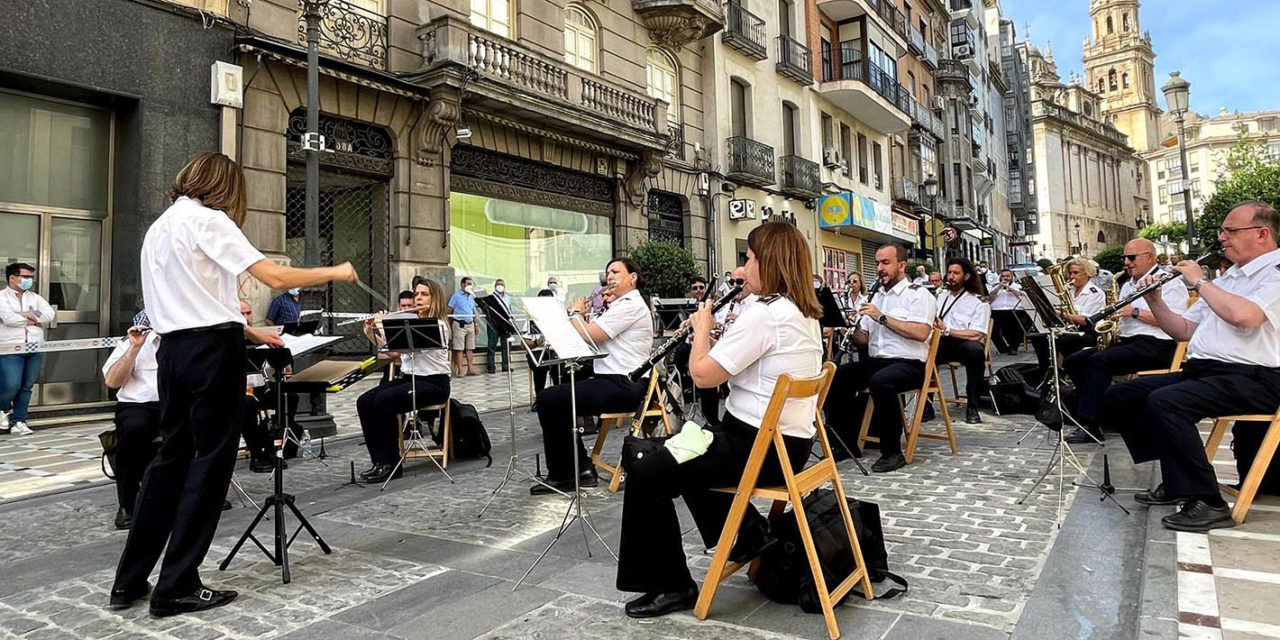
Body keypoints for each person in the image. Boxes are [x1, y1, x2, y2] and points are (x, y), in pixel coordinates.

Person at [111, 152, 358, 617]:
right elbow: (275, 277)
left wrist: (248, 330)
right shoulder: (210, 221)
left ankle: (129, 581)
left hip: (173, 354)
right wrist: (335, 271)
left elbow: (186, 299)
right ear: (225, 186)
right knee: (210, 464)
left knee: (170, 463)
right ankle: (178, 585)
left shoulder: (158, 228)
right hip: (211, 354)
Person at [615, 221, 823, 619]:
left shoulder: (766, 316)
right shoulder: (801, 312)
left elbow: (703, 376)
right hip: (787, 446)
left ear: (771, 264)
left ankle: (671, 584)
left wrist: (703, 330)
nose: (743, 270)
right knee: (686, 446)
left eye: (749, 259)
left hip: (757, 448)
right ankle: (746, 534)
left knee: (644, 463)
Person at [1101, 201, 1280, 532]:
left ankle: (1209, 501)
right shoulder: (1230, 278)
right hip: (1208, 372)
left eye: (1230, 231)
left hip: (1257, 378)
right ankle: (1178, 477)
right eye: (1222, 231)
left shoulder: (1274, 273)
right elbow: (1183, 330)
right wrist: (1154, 301)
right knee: (1122, 396)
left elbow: (1246, 316)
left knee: (1167, 402)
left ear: (1262, 233)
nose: (1222, 237)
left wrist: (1200, 282)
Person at [531, 258, 652, 495]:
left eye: (616, 272)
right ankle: (580, 468)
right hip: (611, 378)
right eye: (608, 273)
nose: (610, 277)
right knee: (557, 395)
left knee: (549, 399)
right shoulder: (618, 305)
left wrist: (576, 313)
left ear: (632, 278)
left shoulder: (631, 305)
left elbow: (591, 335)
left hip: (625, 383)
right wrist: (580, 317)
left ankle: (569, 473)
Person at [1062, 239, 1189, 444]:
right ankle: (1103, 413)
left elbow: (1179, 322)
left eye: (1131, 257)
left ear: (1150, 256)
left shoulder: (1169, 282)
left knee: (1100, 361)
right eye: (1124, 258)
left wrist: (1136, 312)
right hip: (1129, 341)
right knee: (1075, 360)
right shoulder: (1127, 284)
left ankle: (1091, 424)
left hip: (1158, 344)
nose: (1126, 263)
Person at [823, 245, 936, 472]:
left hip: (909, 363)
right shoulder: (876, 297)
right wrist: (849, 328)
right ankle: (845, 444)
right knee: (836, 376)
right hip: (877, 361)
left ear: (901, 265)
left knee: (881, 382)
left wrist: (882, 318)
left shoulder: (918, 295)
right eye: (877, 263)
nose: (879, 268)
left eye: (886, 263)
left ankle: (892, 452)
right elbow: (864, 340)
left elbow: (921, 333)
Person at [356, 276, 452, 483]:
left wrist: (383, 326)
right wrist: (371, 333)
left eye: (424, 294)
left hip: (433, 383)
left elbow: (404, 347)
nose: (418, 298)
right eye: (417, 294)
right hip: (410, 378)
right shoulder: (413, 323)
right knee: (364, 401)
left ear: (435, 298)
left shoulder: (438, 326)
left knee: (384, 401)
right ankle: (379, 461)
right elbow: (390, 354)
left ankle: (391, 464)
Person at [103, 311, 162, 530]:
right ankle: (127, 503)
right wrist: (134, 349)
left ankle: (201, 492)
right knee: (134, 430)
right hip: (139, 404)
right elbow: (112, 381)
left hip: (176, 402)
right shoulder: (130, 344)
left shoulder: (183, 344)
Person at [237, 300, 299, 472]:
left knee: (289, 396)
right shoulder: (226, 341)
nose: (246, 317)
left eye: (248, 313)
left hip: (260, 387)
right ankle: (256, 455)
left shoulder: (259, 336)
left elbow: (281, 364)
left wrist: (284, 357)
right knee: (247, 405)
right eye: (241, 313)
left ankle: (275, 449)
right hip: (238, 391)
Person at [930, 257, 992, 424]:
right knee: (924, 351)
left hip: (964, 343)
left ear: (966, 276)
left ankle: (972, 406)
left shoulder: (978, 301)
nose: (951, 276)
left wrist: (947, 330)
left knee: (976, 352)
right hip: (943, 341)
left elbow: (976, 335)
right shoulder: (941, 296)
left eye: (956, 273)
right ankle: (926, 404)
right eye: (949, 272)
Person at [0, 262, 54, 435]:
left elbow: (49, 315)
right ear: (12, 278)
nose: (29, 280)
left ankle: (19, 421)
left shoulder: (35, 297)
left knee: (26, 386)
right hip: (11, 347)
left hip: (35, 346)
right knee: (11, 384)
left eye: (30, 277)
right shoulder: (2, 297)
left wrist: (25, 315)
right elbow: (9, 319)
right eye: (25, 277)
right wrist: (32, 317)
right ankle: (3, 409)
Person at [1030, 258, 1106, 371]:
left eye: (1075, 273)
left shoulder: (1095, 293)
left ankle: (1068, 369)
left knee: (1063, 340)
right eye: (1070, 273)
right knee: (1038, 336)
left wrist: (1061, 314)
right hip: (1069, 328)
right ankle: (1047, 371)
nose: (1071, 276)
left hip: (1089, 331)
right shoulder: (1068, 290)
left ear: (1087, 274)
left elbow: (1085, 320)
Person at [523, 289, 563, 406]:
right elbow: (524, 343)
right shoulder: (531, 319)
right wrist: (537, 342)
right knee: (539, 366)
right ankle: (540, 400)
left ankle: (559, 398)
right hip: (538, 350)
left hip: (554, 349)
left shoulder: (559, 317)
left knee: (559, 366)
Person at [989, 269, 1031, 355]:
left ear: (1012, 277)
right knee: (993, 331)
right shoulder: (995, 286)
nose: (1005, 278)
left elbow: (1022, 296)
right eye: (1003, 276)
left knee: (1018, 327)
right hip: (997, 311)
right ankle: (1003, 348)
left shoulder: (1017, 286)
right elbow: (991, 297)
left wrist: (1010, 288)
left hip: (1014, 310)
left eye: (1007, 276)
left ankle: (1013, 347)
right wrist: (999, 287)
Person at [447, 276, 478, 377]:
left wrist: (475, 324)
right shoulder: (456, 296)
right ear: (462, 284)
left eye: (471, 284)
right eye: (468, 284)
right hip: (459, 324)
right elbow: (449, 309)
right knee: (459, 348)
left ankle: (470, 368)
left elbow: (473, 311)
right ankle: (460, 369)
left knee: (470, 348)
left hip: (470, 324)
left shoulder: (471, 296)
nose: (469, 286)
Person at [485, 278, 513, 373]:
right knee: (492, 345)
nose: (500, 286)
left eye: (501, 284)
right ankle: (491, 366)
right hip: (493, 323)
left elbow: (510, 311)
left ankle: (505, 365)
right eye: (498, 284)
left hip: (505, 323)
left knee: (505, 346)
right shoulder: (491, 297)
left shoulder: (508, 298)